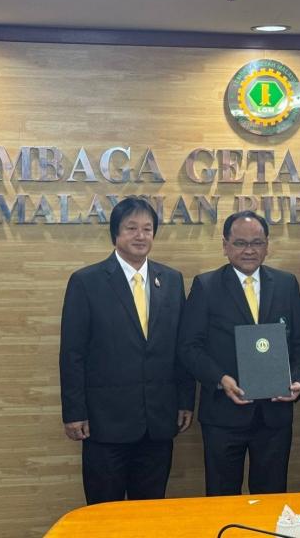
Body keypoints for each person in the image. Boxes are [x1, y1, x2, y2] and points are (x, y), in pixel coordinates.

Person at [59, 196, 195, 503]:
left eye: (147, 228)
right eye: (131, 228)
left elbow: (181, 348)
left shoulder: (171, 280)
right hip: (105, 423)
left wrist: (185, 400)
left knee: (149, 510)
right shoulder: (87, 282)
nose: (140, 235)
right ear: (115, 234)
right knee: (104, 512)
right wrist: (74, 412)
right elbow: (72, 353)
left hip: (158, 420)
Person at [179, 211, 300, 496]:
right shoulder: (206, 286)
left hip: (274, 415)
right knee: (222, 497)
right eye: (240, 243)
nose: (249, 250)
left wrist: (298, 379)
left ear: (267, 245)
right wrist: (220, 379)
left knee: (271, 496)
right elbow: (189, 347)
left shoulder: (286, 284)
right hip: (223, 415)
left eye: (257, 243)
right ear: (225, 245)